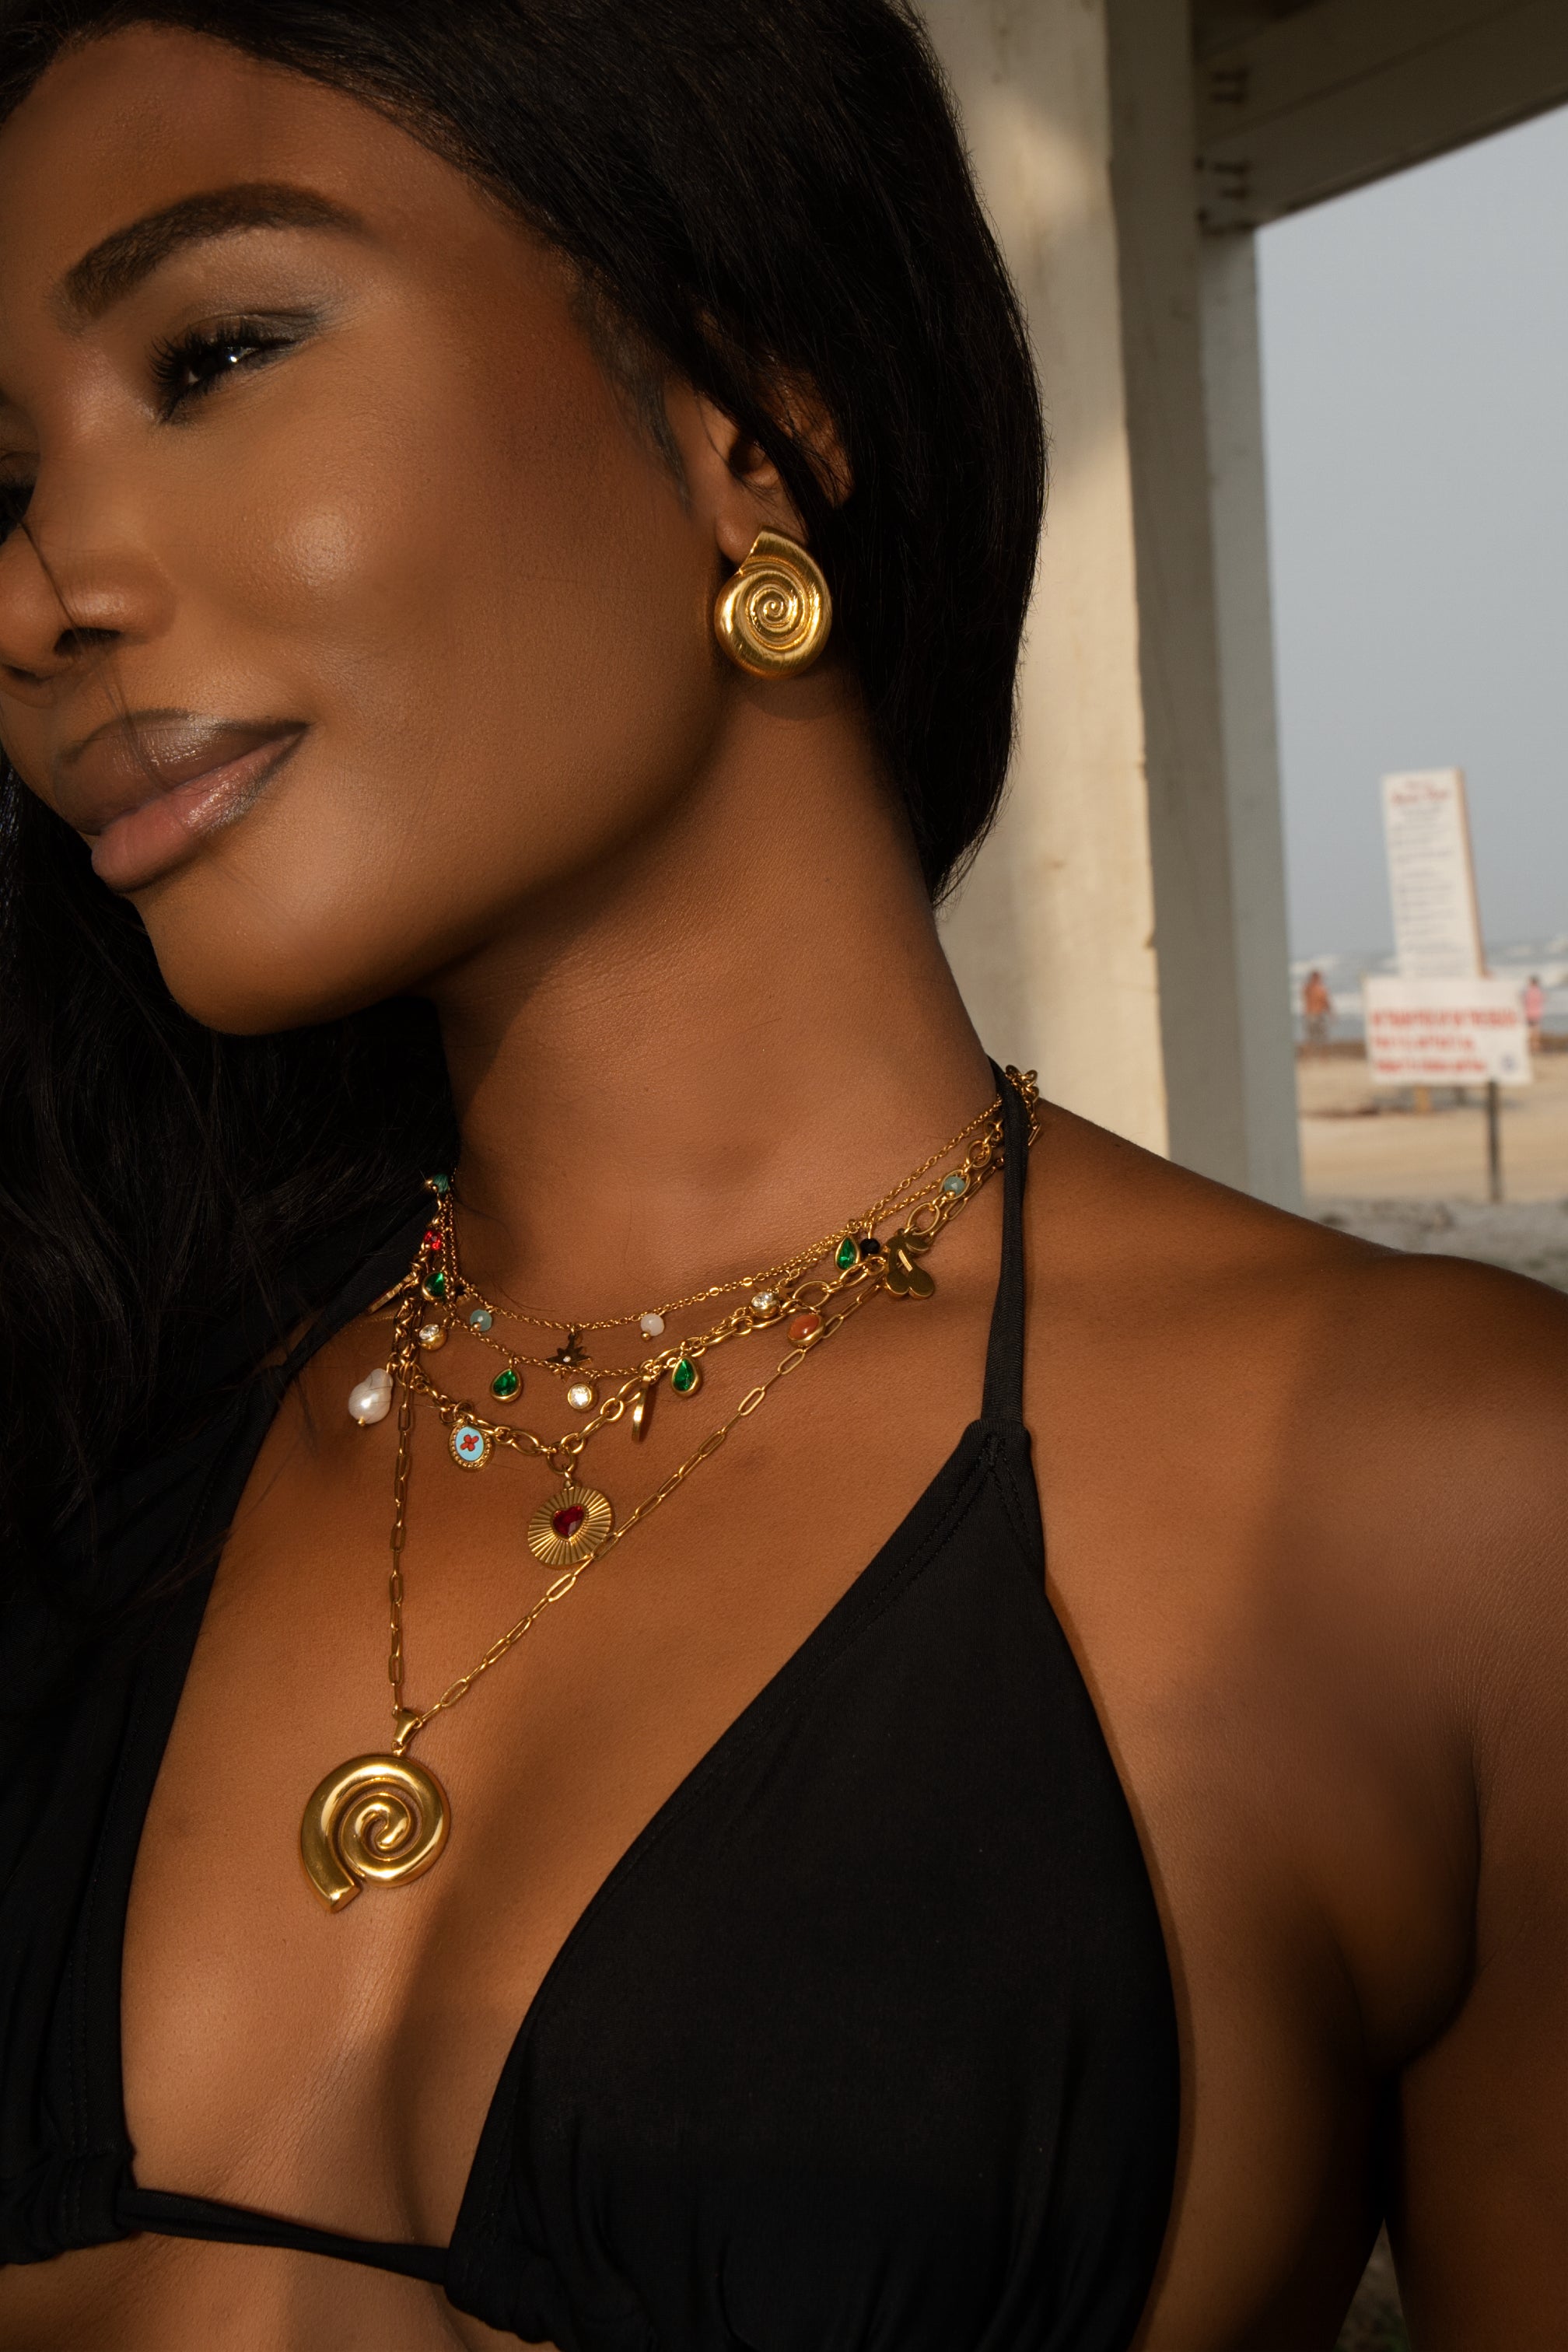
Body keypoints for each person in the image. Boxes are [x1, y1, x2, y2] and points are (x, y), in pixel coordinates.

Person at [0, 8, 1562, 2350]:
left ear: (755, 404)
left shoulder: (1440, 1504)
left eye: (215, 352)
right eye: (1, 480)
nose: (45, 592)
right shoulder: (95, 1416)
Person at [1301, 965, 1333, 1052]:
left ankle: (1323, 1057)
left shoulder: (1321, 989)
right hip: (1311, 1015)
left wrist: (1331, 1014)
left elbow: (1326, 1002)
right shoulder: (1309, 988)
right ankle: (1308, 1056)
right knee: (1310, 1037)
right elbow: (1306, 998)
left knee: (1323, 1037)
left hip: (1319, 1014)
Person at [1524, 972, 1547, 1050]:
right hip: (1537, 1014)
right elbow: (1544, 999)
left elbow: (1525, 1002)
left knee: (1529, 1030)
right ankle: (1535, 1045)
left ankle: (1530, 1045)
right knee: (1536, 1030)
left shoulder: (1529, 991)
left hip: (1528, 1013)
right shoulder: (1539, 991)